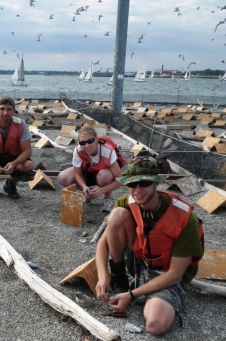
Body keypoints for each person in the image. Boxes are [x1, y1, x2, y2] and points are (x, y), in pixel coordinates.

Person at [95, 157, 204, 336]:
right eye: (132, 184)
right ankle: (119, 279)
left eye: (144, 183)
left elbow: (175, 274)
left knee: (155, 325)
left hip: (166, 275)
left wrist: (132, 295)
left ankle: (147, 296)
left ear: (156, 184)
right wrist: (102, 276)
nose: (137, 190)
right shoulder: (126, 202)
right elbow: (103, 243)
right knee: (116, 215)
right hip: (140, 261)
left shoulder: (185, 219)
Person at [57, 125, 124, 212]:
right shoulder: (78, 151)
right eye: (82, 143)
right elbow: (78, 174)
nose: (87, 145)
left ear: (96, 140)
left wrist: (102, 190)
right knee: (62, 178)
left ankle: (108, 199)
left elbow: (120, 180)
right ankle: (89, 192)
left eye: (90, 141)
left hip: (102, 174)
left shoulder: (107, 151)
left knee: (105, 175)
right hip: (87, 173)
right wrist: (84, 187)